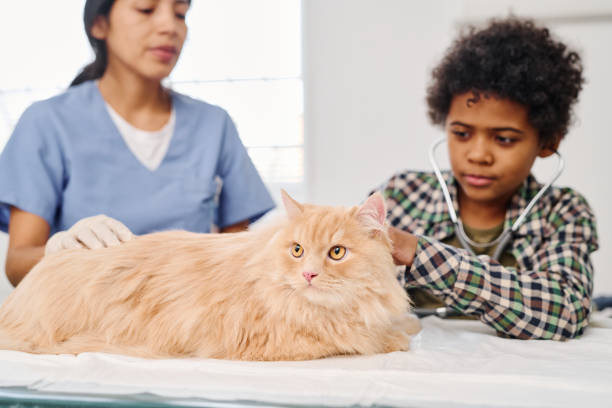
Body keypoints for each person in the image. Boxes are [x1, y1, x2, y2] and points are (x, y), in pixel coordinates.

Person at [0, 0, 275, 287]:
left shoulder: (214, 125)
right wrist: (63, 252)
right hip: (82, 323)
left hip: (186, 321)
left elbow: (238, 257)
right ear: (99, 24)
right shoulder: (47, 122)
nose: (170, 27)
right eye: (146, 9)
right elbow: (18, 263)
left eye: (180, 14)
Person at [374, 18, 598, 340]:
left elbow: (565, 311)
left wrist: (419, 253)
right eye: (462, 133)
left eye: (504, 139)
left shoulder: (563, 212)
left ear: (548, 143)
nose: (478, 154)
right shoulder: (400, 195)